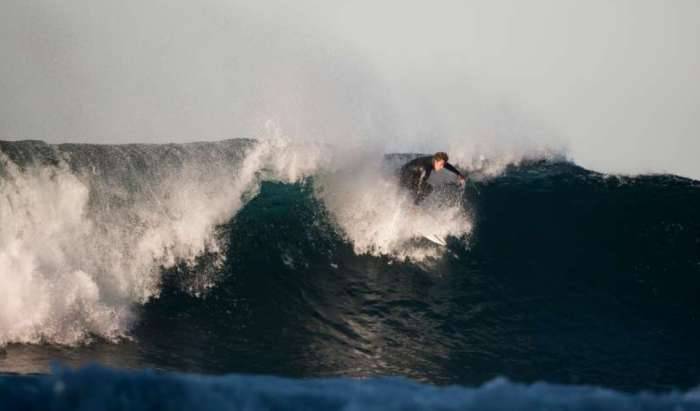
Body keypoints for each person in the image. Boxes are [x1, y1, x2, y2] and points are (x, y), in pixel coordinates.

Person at [399, 152, 466, 204]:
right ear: (436, 161)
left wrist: (458, 174)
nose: (442, 167)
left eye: (443, 164)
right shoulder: (426, 169)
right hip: (405, 175)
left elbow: (447, 165)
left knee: (426, 188)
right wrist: (416, 200)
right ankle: (414, 205)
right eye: (441, 165)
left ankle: (414, 203)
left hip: (409, 171)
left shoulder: (435, 159)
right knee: (427, 189)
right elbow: (420, 187)